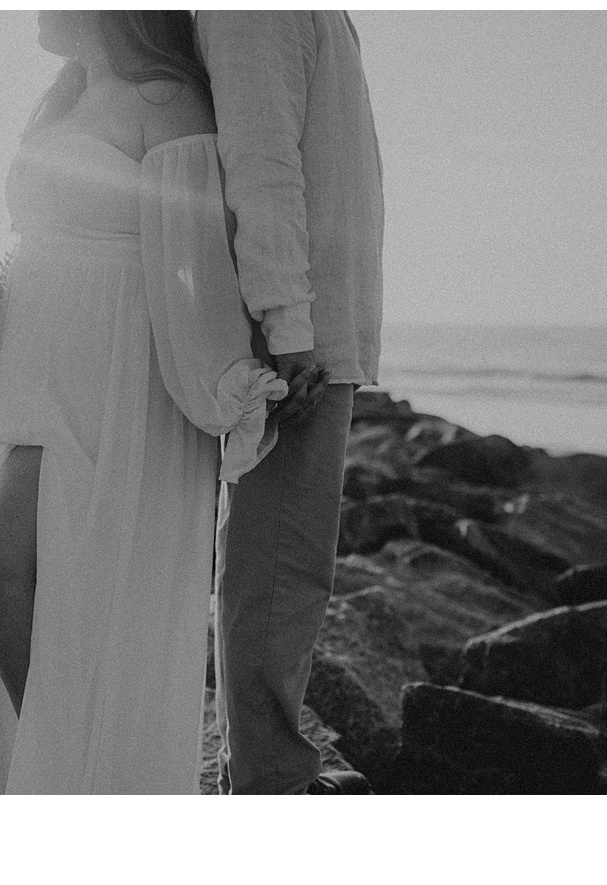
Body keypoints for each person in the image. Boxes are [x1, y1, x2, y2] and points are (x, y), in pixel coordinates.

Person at [0, 10, 286, 794]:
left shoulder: (167, 102)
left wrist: (233, 386)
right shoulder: (59, 101)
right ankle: (68, 785)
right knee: (26, 581)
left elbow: (191, 266)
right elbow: (40, 246)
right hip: (37, 371)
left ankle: (77, 785)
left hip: (115, 378)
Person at [195, 10, 386, 794]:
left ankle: (266, 772)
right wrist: (289, 322)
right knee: (278, 575)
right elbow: (260, 157)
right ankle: (268, 787)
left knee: (288, 572)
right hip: (297, 339)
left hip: (314, 327)